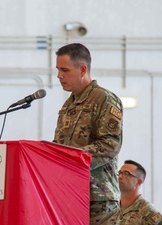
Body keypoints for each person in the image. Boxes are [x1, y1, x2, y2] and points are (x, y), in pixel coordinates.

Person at [53, 43, 123, 224]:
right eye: (58, 70)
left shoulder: (104, 99)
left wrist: (72, 159)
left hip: (98, 197)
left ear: (82, 69)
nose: (59, 76)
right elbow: (60, 145)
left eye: (64, 70)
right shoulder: (68, 105)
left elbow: (110, 144)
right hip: (70, 191)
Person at [107, 160, 162, 224]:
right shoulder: (111, 208)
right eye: (119, 173)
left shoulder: (149, 212)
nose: (120, 177)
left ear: (138, 182)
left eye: (126, 174)